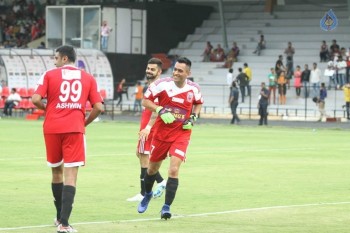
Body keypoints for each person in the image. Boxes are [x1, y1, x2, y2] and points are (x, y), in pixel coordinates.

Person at [31, 45, 104, 233]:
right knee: (71, 175)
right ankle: (64, 224)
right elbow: (99, 107)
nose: (54, 61)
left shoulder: (49, 74)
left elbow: (35, 99)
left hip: (52, 128)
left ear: (64, 58)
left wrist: (49, 110)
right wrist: (84, 122)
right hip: (74, 128)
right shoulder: (88, 78)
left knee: (56, 172)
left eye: (56, 57)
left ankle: (58, 217)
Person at [137, 57, 203, 220]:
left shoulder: (194, 88)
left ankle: (166, 208)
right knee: (152, 170)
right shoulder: (161, 85)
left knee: (173, 169)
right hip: (161, 133)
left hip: (181, 134)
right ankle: (148, 194)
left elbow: (198, 103)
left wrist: (193, 117)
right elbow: (145, 101)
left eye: (180, 70)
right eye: (175, 69)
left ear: (188, 73)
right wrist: (160, 109)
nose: (176, 73)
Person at [127, 58, 167, 202]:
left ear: (159, 71)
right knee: (140, 154)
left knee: (144, 159)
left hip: (149, 129)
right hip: (146, 128)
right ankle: (161, 182)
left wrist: (148, 127)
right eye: (148, 68)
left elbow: (157, 111)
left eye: (152, 69)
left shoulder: (156, 87)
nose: (149, 71)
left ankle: (144, 193)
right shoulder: (150, 86)